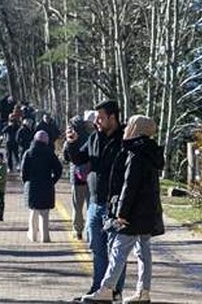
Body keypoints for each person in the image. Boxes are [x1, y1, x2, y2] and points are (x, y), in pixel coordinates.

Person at [81, 116, 165, 304]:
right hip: (147, 212)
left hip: (133, 213)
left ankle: (107, 288)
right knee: (144, 252)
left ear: (136, 129)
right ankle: (143, 291)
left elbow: (129, 186)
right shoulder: (149, 151)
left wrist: (121, 213)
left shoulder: (135, 154)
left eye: (129, 126)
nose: (125, 129)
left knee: (118, 250)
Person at [65, 100, 126, 301]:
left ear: (112, 117)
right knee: (97, 249)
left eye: (100, 118)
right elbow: (79, 159)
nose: (96, 122)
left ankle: (114, 290)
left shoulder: (124, 139)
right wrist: (72, 143)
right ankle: (97, 288)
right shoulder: (94, 138)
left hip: (115, 204)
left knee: (114, 251)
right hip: (95, 202)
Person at [21, 130, 63, 242]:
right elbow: (58, 169)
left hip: (32, 185)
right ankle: (45, 237)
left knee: (33, 211)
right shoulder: (50, 153)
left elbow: (23, 172)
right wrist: (53, 180)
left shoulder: (28, 152)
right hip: (46, 185)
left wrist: (26, 183)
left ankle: (33, 235)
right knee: (44, 213)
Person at [63, 114, 93, 240]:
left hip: (76, 176)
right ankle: (91, 231)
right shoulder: (90, 136)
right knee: (91, 205)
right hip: (91, 176)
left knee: (77, 206)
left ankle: (78, 231)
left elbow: (66, 156)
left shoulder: (71, 138)